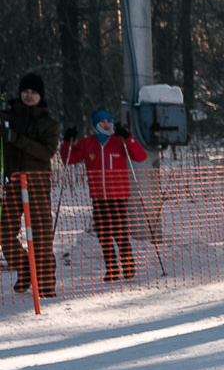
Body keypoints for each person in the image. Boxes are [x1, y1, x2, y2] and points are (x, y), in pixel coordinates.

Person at [60, 108, 147, 283]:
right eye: (102, 122)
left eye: (109, 121)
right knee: (104, 234)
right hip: (99, 197)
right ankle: (112, 269)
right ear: (96, 124)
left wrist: (128, 137)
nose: (107, 125)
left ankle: (128, 266)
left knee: (120, 232)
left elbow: (140, 156)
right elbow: (69, 159)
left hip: (119, 196)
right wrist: (67, 142)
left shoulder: (119, 141)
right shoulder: (87, 143)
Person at [4, 72, 60, 296]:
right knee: (5, 232)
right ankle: (26, 268)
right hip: (12, 182)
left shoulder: (49, 124)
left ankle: (45, 282)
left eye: (34, 92)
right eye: (26, 91)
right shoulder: (7, 117)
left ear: (40, 96)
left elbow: (46, 152)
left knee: (41, 235)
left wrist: (16, 139)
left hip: (36, 183)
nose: (29, 95)